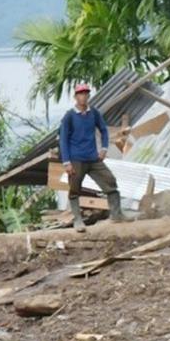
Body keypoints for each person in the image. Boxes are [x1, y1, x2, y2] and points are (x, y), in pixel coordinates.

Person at [59, 83, 122, 232]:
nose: (83, 96)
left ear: (88, 96)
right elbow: (63, 140)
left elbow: (104, 130)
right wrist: (66, 162)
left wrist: (104, 148)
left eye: (86, 94)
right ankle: (78, 220)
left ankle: (116, 214)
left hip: (93, 158)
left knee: (110, 181)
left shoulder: (94, 113)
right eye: (80, 94)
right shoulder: (69, 116)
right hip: (76, 159)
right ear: (75, 97)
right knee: (74, 189)